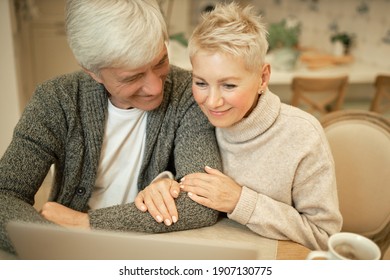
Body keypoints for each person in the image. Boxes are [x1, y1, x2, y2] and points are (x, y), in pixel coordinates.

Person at [0, 0, 222, 254]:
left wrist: (86, 223)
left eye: (160, 61)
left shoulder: (189, 93)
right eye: (133, 77)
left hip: (150, 252)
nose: (156, 88)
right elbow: (4, 195)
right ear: (93, 72)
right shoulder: (56, 100)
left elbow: (203, 202)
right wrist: (53, 244)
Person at [135, 2, 343, 250]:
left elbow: (324, 236)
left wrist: (240, 201)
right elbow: (178, 175)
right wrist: (164, 183)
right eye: (201, 83)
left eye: (229, 86)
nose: (211, 101)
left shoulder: (302, 135)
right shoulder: (193, 114)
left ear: (263, 77)